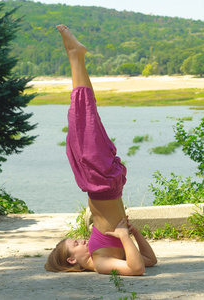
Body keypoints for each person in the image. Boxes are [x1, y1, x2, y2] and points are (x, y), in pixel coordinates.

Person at [45, 25, 157, 275]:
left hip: (101, 184)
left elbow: (145, 261)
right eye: (75, 244)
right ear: (73, 260)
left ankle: (77, 56)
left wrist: (128, 236)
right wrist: (129, 236)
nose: (81, 240)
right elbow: (140, 267)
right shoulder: (102, 262)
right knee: (82, 118)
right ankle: (75, 54)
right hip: (101, 182)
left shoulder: (101, 256)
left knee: (86, 117)